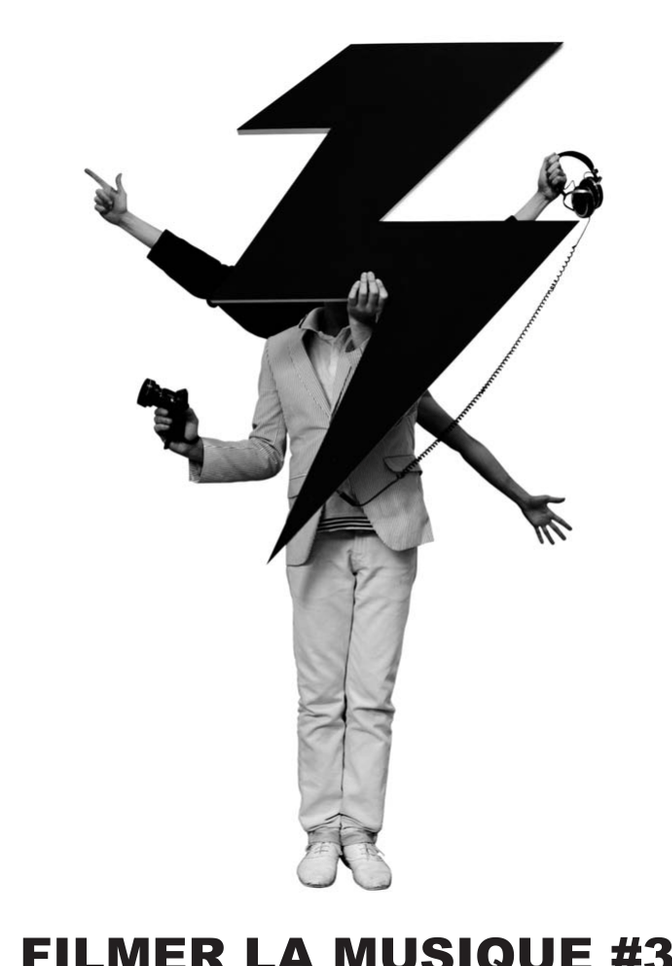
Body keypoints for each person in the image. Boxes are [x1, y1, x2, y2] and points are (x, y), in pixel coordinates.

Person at [85, 156, 571, 890]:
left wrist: (519, 495)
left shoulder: (403, 339)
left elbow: (468, 280)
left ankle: (361, 833)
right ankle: (320, 830)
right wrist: (194, 445)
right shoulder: (280, 348)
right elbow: (265, 450)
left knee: (371, 695)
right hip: (313, 544)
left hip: (389, 539)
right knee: (319, 699)